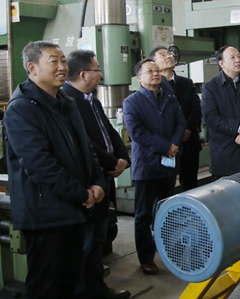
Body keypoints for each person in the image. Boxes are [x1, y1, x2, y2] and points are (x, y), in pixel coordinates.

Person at [4, 41, 105, 299]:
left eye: (63, 61)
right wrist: (81, 194)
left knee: (68, 282)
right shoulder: (22, 108)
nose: (62, 67)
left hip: (73, 210)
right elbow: (40, 165)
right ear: (32, 68)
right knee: (46, 287)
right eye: (54, 62)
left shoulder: (66, 102)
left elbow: (87, 149)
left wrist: (97, 182)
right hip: (45, 215)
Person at [62, 50, 131, 299]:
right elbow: (86, 143)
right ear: (83, 75)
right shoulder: (67, 101)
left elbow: (109, 131)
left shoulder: (92, 99)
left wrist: (123, 157)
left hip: (104, 179)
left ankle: (98, 289)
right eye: (97, 69)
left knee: (97, 242)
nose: (101, 74)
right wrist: (112, 162)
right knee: (85, 244)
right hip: (88, 183)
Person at [123, 59, 186, 274]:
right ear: (139, 78)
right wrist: (165, 147)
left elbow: (181, 123)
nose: (156, 73)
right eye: (150, 71)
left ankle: (167, 248)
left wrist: (174, 145)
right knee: (143, 215)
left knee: (166, 211)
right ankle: (146, 258)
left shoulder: (169, 97)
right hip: (147, 166)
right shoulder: (132, 102)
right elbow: (137, 132)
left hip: (168, 165)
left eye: (157, 70)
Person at [201, 46, 240, 179]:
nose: (238, 60)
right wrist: (239, 128)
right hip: (224, 155)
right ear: (221, 63)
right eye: (232, 57)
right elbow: (210, 117)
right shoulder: (210, 86)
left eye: (239, 57)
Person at [151, 46, 202, 191]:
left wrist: (187, 129)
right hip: (167, 144)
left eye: (170, 53)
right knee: (165, 187)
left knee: (190, 184)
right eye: (163, 55)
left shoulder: (187, 83)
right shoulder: (154, 87)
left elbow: (196, 108)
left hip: (189, 140)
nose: (169, 56)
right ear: (154, 63)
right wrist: (177, 135)